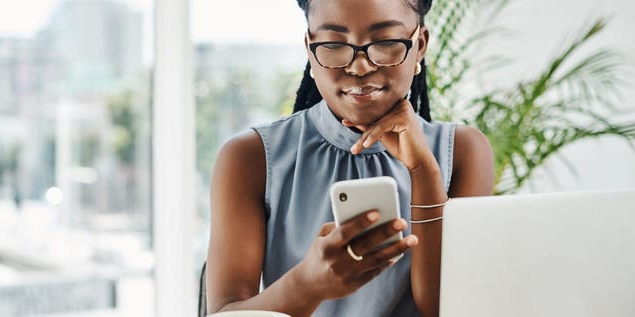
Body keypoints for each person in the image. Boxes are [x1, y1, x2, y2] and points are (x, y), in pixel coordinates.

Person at [207, 0, 494, 316]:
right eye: (333, 44)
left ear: (420, 45)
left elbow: (447, 308)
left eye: (385, 42)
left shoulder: (464, 150)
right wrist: (307, 284)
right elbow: (226, 312)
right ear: (309, 47)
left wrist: (424, 171)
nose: (359, 67)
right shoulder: (251, 157)